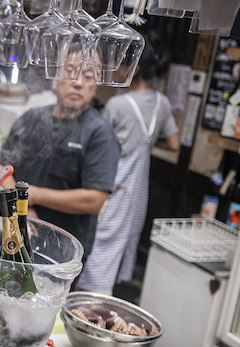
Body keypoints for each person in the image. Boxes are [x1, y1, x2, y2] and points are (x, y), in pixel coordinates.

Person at [0, 50, 120, 260]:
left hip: (61, 249)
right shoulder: (30, 118)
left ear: (96, 85)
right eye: (70, 72)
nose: (78, 83)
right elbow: (2, 169)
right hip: (14, 235)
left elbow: (94, 199)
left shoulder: (100, 134)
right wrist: (21, 210)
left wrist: (33, 196)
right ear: (54, 80)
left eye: (88, 76)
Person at [77, 39, 180, 294]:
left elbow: (96, 145)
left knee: (98, 245)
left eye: (119, 63)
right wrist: (147, 142)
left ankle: (87, 302)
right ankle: (99, 299)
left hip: (112, 183)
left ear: (133, 70)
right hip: (136, 192)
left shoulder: (118, 104)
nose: (113, 68)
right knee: (119, 243)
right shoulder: (161, 103)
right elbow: (174, 144)